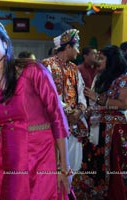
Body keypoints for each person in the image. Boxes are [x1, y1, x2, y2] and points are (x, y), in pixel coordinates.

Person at [0, 19, 71, 200]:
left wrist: (64, 168)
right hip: (8, 158)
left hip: (42, 155)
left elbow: (58, 118)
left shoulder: (33, 71)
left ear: (5, 42)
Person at [74, 45, 127, 199]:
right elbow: (95, 102)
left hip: (117, 130)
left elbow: (123, 104)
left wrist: (98, 99)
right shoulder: (102, 76)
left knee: (115, 165)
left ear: (112, 60)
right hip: (98, 128)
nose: (98, 61)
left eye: (102, 58)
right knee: (95, 164)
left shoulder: (126, 78)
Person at [42, 29, 88, 173]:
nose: (78, 52)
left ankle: (69, 194)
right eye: (77, 47)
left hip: (74, 123)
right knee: (54, 165)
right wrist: (67, 111)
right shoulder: (47, 65)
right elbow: (47, 95)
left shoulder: (74, 69)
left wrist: (78, 112)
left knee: (73, 167)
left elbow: (81, 94)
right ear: (68, 47)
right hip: (53, 123)